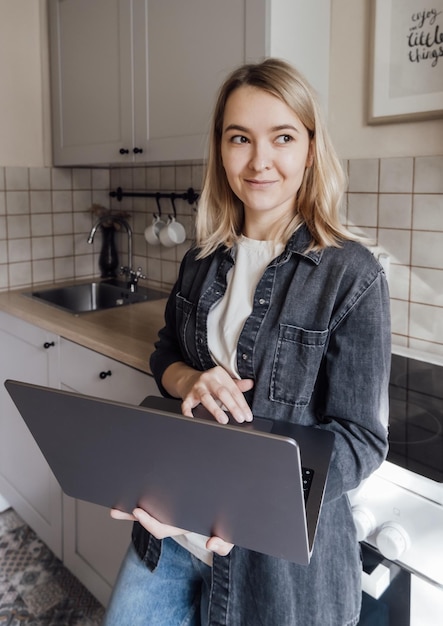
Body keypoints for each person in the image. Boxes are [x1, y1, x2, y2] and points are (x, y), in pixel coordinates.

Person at [103, 58, 391, 626]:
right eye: (240, 138)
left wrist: (240, 504)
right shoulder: (201, 260)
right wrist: (189, 379)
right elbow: (166, 354)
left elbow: (361, 441)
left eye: (282, 137)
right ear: (221, 150)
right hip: (167, 537)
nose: (260, 160)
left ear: (310, 149)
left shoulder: (352, 275)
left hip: (280, 573)